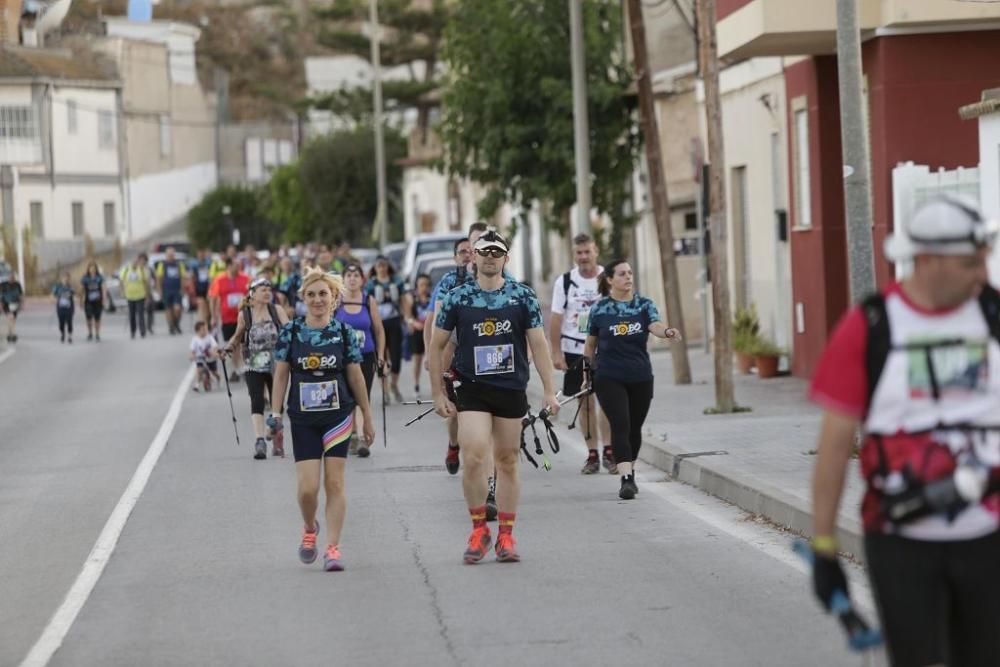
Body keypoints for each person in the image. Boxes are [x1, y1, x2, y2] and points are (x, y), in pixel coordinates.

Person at [807, 195, 1000, 667]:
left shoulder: (992, 315)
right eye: (970, 263)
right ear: (928, 260)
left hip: (989, 534)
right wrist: (825, 548)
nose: (982, 274)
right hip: (899, 540)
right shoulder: (870, 325)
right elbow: (833, 448)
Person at [430, 229, 559, 563]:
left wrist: (549, 390)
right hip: (471, 387)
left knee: (506, 461)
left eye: (496, 251)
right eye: (483, 250)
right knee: (473, 455)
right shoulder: (458, 297)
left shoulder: (523, 297)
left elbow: (539, 344)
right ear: (472, 255)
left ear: (505, 257)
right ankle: (478, 530)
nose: (489, 256)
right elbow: (437, 344)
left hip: (510, 388)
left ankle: (505, 536)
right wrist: (437, 392)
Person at [269, 268, 376, 572]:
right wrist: (275, 414)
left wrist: (366, 416)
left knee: (334, 482)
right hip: (303, 418)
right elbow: (280, 375)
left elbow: (356, 376)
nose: (317, 299)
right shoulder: (291, 332)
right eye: (311, 294)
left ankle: (333, 547)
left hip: (338, 415)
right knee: (307, 490)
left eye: (323, 294)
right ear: (303, 299)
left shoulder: (344, 333)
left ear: (333, 299)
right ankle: (309, 527)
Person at [583, 260, 681, 500]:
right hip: (608, 376)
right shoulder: (599, 309)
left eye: (630, 273)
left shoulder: (644, 305)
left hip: (640, 376)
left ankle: (631, 470)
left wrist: (666, 332)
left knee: (634, 427)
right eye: (622, 274)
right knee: (621, 423)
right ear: (610, 280)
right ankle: (626, 478)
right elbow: (590, 344)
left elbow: (655, 325)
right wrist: (586, 375)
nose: (628, 277)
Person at [550, 233, 614, 474]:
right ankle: (592, 454)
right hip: (575, 349)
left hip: (603, 349)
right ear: (574, 254)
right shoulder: (565, 282)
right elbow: (556, 319)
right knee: (584, 403)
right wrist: (555, 353)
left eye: (588, 252)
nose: (584, 257)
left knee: (607, 402)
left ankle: (609, 451)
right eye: (579, 253)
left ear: (595, 251)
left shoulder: (606, 278)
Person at [224, 278, 290, 459]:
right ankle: (259, 441)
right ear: (253, 294)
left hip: (277, 364)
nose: (267, 292)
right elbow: (237, 336)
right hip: (254, 364)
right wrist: (228, 348)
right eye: (263, 289)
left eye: (269, 289)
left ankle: (276, 435)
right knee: (257, 400)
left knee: (277, 404)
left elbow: (289, 331)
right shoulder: (245, 315)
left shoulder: (277, 311)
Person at [424, 236, 474, 474]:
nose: (467, 255)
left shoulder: (495, 277)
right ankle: (454, 445)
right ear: (456, 257)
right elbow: (435, 321)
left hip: (482, 352)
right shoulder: (448, 281)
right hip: (453, 348)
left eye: (471, 250)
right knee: (455, 409)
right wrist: (432, 355)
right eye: (462, 251)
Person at [335, 263, 386, 457]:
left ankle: (363, 438)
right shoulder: (337, 301)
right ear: (343, 279)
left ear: (362, 279)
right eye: (348, 275)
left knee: (363, 396)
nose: (352, 278)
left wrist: (381, 355)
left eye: (356, 275)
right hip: (344, 357)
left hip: (365, 356)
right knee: (347, 396)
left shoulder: (368, 301)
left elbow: (379, 330)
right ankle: (352, 434)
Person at [366, 256, 410, 403]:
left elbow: (404, 299)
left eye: (384, 265)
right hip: (378, 324)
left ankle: (394, 385)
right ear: (375, 268)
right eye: (379, 266)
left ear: (387, 267)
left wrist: (407, 317)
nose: (382, 268)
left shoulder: (396, 281)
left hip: (394, 321)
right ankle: (384, 391)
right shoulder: (371, 284)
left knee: (396, 357)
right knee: (381, 357)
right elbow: (365, 303)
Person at [209, 258, 250, 382]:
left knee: (242, 343)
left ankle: (242, 367)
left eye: (238, 265)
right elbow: (213, 298)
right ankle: (237, 368)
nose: (238, 267)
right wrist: (213, 316)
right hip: (227, 317)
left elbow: (251, 294)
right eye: (235, 265)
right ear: (229, 266)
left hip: (242, 316)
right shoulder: (219, 280)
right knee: (232, 343)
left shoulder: (245, 278)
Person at [406, 273, 433, 398]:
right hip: (417, 331)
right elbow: (407, 316)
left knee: (432, 358)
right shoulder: (412, 298)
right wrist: (413, 323)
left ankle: (435, 385)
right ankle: (416, 385)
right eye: (421, 285)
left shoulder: (432, 298)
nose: (424, 287)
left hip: (429, 331)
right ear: (417, 285)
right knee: (417, 359)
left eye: (426, 285)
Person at [155, 247, 187, 335]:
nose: (171, 256)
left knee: (178, 308)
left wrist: (183, 289)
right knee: (168, 309)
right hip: (166, 290)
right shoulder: (162, 265)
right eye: (169, 255)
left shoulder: (179, 264)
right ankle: (171, 326)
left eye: (172, 255)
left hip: (177, 290)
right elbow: (159, 278)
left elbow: (183, 277)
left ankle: (176, 323)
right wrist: (159, 290)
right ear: (166, 256)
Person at [120, 254, 151, 339]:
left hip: (140, 295)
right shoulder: (126, 270)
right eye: (132, 262)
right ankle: (133, 331)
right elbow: (121, 281)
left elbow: (146, 283)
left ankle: (142, 331)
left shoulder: (141, 270)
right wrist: (122, 291)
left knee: (141, 314)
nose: (134, 263)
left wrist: (147, 295)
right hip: (130, 295)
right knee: (132, 315)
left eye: (135, 262)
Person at [190, 320, 222, 392]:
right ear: (197, 331)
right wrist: (192, 356)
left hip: (210, 358)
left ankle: (218, 377)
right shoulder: (195, 339)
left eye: (206, 329)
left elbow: (215, 346)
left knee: (214, 372)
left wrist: (214, 353)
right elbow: (193, 350)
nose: (205, 331)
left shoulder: (209, 337)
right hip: (200, 357)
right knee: (199, 370)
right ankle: (197, 384)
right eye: (203, 330)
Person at [80, 261, 106, 342]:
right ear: (88, 269)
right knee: (89, 318)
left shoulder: (100, 277)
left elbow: (103, 289)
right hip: (88, 301)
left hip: (98, 301)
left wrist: (104, 299)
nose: (92, 269)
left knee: (97, 318)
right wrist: (81, 300)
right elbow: (82, 290)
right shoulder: (85, 278)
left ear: (96, 269)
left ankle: (97, 334)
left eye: (94, 268)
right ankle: (90, 333)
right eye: (91, 268)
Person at [52, 273, 76, 344]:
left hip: (69, 307)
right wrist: (54, 299)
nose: (65, 279)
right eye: (64, 278)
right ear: (61, 279)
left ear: (69, 279)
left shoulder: (70, 287)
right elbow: (53, 295)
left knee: (69, 321)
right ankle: (62, 333)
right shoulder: (57, 287)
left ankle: (70, 336)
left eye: (67, 278)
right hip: (60, 307)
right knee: (61, 322)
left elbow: (74, 295)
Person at [192, 249, 214, 325]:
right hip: (199, 288)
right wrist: (192, 288)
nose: (201, 255)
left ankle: (208, 322)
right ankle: (203, 325)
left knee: (208, 310)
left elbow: (212, 276)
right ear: (197, 255)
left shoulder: (209, 263)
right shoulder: (194, 264)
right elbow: (193, 277)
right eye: (199, 254)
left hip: (208, 287)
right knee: (202, 306)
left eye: (202, 253)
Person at [2, 271, 24, 343]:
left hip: (15, 304)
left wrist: (21, 304)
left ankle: (9, 333)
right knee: (10, 317)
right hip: (6, 304)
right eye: (10, 277)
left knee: (13, 319)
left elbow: (20, 295)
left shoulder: (17, 285)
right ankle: (13, 334)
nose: (11, 278)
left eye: (12, 277)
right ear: (8, 277)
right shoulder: (3, 285)